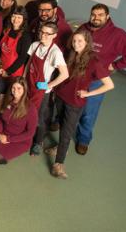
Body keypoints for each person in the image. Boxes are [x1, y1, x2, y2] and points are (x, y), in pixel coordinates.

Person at [46, 28, 114, 178]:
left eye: (80, 41)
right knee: (63, 125)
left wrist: (88, 93)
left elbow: (109, 85)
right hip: (60, 96)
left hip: (75, 102)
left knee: (66, 133)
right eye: (74, 40)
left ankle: (59, 164)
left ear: (87, 42)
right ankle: (59, 148)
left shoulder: (94, 62)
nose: (76, 44)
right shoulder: (70, 54)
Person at [74, 3, 126, 155]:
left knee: (89, 112)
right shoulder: (83, 28)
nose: (96, 17)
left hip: (96, 80)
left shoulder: (118, 35)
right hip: (77, 75)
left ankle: (84, 139)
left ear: (107, 17)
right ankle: (62, 125)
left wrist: (116, 65)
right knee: (71, 104)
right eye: (93, 14)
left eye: (100, 15)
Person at [27, 22, 69, 156]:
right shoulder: (35, 45)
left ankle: (38, 142)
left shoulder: (55, 52)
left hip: (42, 92)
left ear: (54, 35)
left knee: (41, 119)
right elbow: (29, 64)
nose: (43, 35)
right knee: (27, 112)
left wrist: (48, 85)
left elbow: (65, 74)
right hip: (29, 86)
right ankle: (26, 137)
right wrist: (23, 80)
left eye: (47, 33)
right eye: (42, 31)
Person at [0, 77, 38, 164]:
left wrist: (9, 139)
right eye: (13, 88)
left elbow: (30, 133)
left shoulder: (31, 109)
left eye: (19, 88)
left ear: (24, 89)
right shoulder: (8, 100)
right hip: (4, 133)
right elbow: (0, 119)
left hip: (19, 140)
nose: (15, 90)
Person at [0, 6, 32, 78]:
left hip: (14, 72)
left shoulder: (25, 36)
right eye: (14, 16)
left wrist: (8, 72)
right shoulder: (6, 30)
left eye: (19, 17)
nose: (16, 20)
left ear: (24, 19)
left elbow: (22, 58)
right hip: (0, 68)